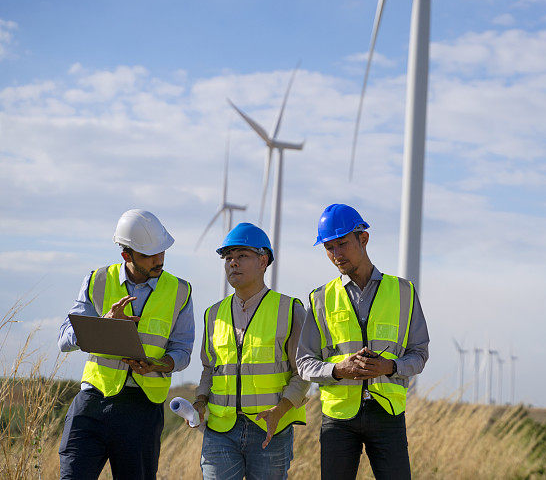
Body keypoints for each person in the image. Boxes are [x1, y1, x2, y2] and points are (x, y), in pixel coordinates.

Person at [57, 209, 195, 480]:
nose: (159, 259)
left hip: (142, 409)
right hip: (92, 402)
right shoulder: (97, 280)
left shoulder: (180, 291)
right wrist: (103, 324)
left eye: (162, 251)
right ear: (126, 255)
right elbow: (64, 339)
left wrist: (161, 363)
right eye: (149, 254)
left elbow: (183, 351)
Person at [297, 204, 430, 480]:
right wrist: (337, 370)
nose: (336, 254)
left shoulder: (403, 292)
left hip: (387, 415)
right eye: (329, 247)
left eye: (342, 244)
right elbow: (304, 363)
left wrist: (390, 367)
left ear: (363, 238)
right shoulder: (319, 298)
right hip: (338, 419)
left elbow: (419, 354)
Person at [193, 222, 309, 480]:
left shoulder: (290, 310)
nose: (233, 263)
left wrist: (279, 412)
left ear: (263, 260)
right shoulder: (213, 314)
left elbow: (302, 373)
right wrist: (199, 402)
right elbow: (209, 369)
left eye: (242, 256)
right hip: (220, 431)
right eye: (228, 258)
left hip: (271, 431)